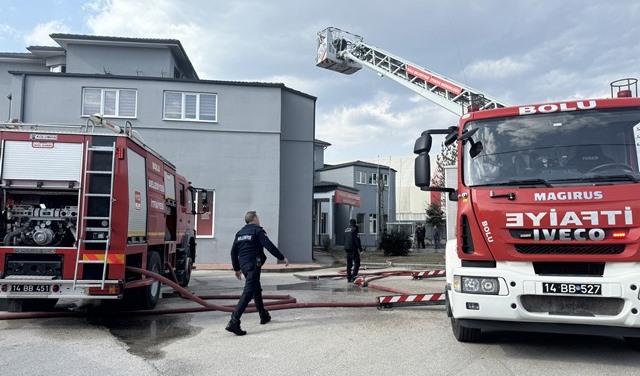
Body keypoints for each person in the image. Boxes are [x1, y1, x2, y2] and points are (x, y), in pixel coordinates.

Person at [226, 211, 289, 336]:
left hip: (244, 265)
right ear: (254, 218)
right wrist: (282, 257)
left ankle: (263, 315)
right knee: (248, 292)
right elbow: (268, 245)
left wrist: (237, 269)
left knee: (256, 289)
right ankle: (234, 320)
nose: (259, 219)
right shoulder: (257, 231)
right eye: (258, 217)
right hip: (253, 264)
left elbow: (233, 252)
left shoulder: (240, 233)